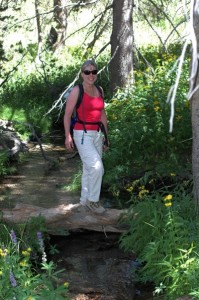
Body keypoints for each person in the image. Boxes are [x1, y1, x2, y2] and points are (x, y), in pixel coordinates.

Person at [64, 59, 109, 214]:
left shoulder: (99, 90)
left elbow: (103, 114)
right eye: (87, 72)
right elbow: (67, 115)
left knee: (89, 169)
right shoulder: (77, 90)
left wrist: (106, 136)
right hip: (82, 134)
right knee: (97, 168)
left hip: (97, 133)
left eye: (94, 72)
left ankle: (84, 201)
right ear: (82, 74)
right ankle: (93, 201)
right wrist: (67, 136)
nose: (91, 75)